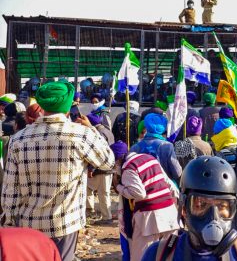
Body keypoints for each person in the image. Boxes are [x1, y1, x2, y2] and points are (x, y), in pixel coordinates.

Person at [1, 81, 115, 261]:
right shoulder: (80, 135)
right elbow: (108, 162)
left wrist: (8, 222)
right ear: (68, 107)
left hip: (28, 224)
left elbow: (10, 190)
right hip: (65, 223)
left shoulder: (18, 139)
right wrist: (91, 129)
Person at [141, 156, 237, 260]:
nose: (213, 217)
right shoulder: (158, 255)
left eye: (222, 206)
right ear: (184, 208)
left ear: (232, 210)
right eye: (201, 204)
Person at [114, 152, 180, 261]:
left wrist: (119, 187)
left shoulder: (128, 168)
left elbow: (139, 194)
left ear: (118, 160)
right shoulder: (151, 159)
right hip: (170, 215)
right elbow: (169, 184)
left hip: (149, 220)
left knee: (141, 255)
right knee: (170, 252)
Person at [130, 113, 182, 182]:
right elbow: (177, 173)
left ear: (146, 126)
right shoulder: (167, 147)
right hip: (164, 188)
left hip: (142, 190)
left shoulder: (135, 148)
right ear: (163, 128)